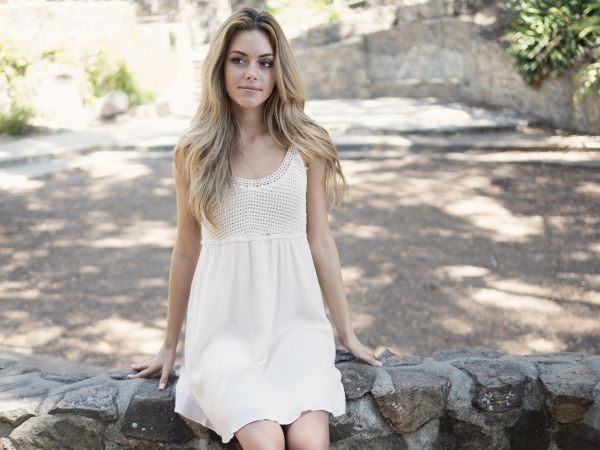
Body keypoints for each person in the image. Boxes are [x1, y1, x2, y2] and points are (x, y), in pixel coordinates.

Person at [127, 6, 383, 449]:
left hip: (296, 330)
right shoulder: (194, 151)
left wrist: (346, 332)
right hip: (224, 336)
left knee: (308, 440)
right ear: (220, 67)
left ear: (278, 70)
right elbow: (186, 250)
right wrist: (170, 344)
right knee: (264, 439)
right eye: (239, 60)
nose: (252, 73)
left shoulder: (307, 144)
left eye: (265, 63)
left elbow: (320, 240)